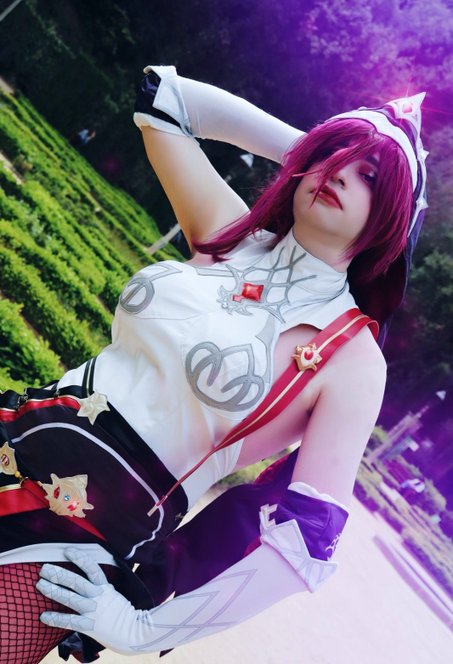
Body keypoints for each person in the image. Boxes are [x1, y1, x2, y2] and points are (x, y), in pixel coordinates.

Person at [0, 65, 427, 662]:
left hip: (71, 540)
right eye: (334, 157)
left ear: (392, 219)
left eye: (370, 176)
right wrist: (318, 152)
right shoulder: (231, 235)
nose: (340, 174)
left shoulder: (353, 359)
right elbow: (163, 100)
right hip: (15, 432)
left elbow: (308, 537)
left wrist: (144, 630)